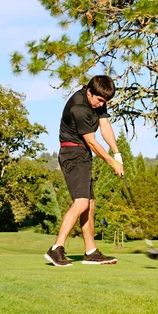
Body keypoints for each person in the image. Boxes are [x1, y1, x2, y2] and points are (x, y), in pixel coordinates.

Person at [45, 75, 124, 267]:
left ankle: (90, 252)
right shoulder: (79, 107)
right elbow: (91, 141)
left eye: (104, 102)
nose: (101, 105)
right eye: (99, 100)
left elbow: (104, 126)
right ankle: (56, 248)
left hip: (82, 154)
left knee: (90, 204)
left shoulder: (97, 100)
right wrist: (112, 163)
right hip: (71, 153)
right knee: (81, 202)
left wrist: (117, 154)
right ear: (89, 92)